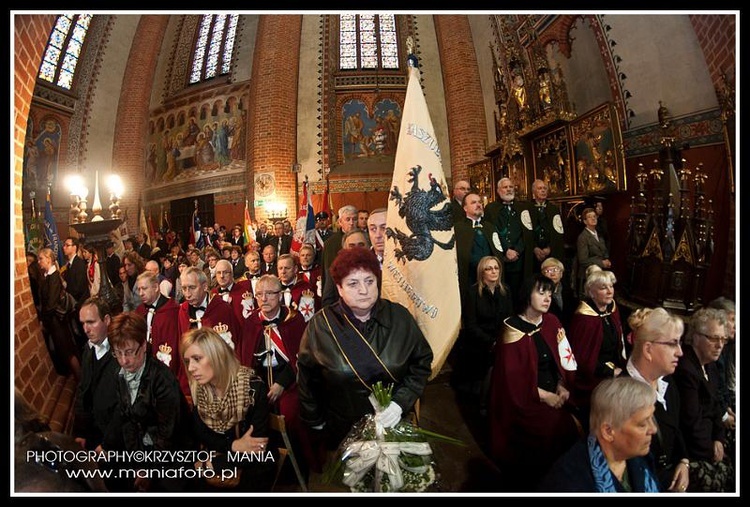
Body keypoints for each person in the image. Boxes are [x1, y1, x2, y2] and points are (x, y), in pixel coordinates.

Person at [297, 247, 433, 453]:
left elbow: (421, 364)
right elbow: (307, 378)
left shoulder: (400, 318)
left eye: (369, 281)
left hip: (393, 425)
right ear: (339, 288)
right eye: (353, 283)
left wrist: (400, 403)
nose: (364, 290)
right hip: (344, 430)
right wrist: (314, 420)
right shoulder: (321, 326)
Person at [489, 274, 581, 491]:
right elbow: (512, 385)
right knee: (555, 428)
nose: (547, 298)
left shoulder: (552, 322)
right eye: (541, 292)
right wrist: (546, 396)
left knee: (580, 422)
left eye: (550, 293)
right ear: (527, 295)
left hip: (554, 392)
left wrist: (561, 384)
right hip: (525, 400)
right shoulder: (512, 329)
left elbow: (562, 359)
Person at [103, 312, 194, 492]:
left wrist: (148, 471)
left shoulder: (162, 379)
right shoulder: (120, 375)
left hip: (174, 453)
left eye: (129, 352)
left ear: (144, 345)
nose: (123, 361)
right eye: (118, 353)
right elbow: (127, 421)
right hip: (144, 448)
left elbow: (167, 434)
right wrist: (138, 465)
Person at [181, 327, 274, 491]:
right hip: (214, 466)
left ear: (217, 356)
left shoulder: (253, 388)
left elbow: (258, 448)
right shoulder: (199, 389)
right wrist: (233, 446)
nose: (190, 368)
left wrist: (214, 462)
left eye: (197, 359)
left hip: (249, 471)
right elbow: (201, 434)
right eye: (188, 361)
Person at [240, 274, 313, 473]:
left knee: (290, 415)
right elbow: (246, 359)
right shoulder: (251, 322)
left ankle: (293, 469)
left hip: (289, 380)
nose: (264, 299)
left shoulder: (294, 320)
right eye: (259, 294)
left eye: (270, 294)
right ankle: (264, 468)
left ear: (280, 296)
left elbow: (301, 358)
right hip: (260, 379)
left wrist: (281, 384)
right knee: (251, 413)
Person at [538, 377, 660, 493]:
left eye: (652, 419)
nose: (653, 429)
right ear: (608, 432)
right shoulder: (568, 482)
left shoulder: (640, 456)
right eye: (642, 424)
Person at [624, 307, 690, 492]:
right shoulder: (623, 397)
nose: (680, 352)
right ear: (648, 349)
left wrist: (684, 462)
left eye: (680, 343)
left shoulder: (667, 382)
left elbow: (676, 428)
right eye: (672, 344)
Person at [673, 307, 734, 492]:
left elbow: (716, 406)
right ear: (696, 336)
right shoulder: (685, 369)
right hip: (691, 449)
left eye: (723, 339)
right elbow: (690, 422)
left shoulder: (711, 365)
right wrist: (711, 451)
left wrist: (719, 438)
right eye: (714, 338)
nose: (720, 345)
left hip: (709, 438)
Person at [568, 266, 626, 428]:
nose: (609, 291)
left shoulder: (612, 309)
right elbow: (582, 358)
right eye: (603, 288)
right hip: (590, 375)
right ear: (591, 292)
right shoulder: (584, 318)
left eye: (611, 286)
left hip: (614, 366)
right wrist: (610, 371)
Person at [460, 256, 513, 414]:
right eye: (488, 268)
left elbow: (510, 318)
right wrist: (491, 342)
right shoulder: (472, 293)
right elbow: (471, 325)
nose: (493, 271)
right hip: (479, 342)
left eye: (496, 268)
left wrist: (503, 340)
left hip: (501, 339)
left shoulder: (506, 291)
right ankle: (483, 404)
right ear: (481, 272)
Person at [133, 270, 189, 400]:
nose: (141, 293)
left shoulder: (173, 311)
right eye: (139, 289)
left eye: (144, 288)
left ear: (156, 287)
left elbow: (177, 344)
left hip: (167, 369)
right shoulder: (139, 311)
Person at [73, 297, 120, 452]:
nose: (85, 329)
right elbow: (83, 391)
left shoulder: (122, 353)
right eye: (83, 323)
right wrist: (81, 431)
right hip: (94, 436)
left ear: (106, 320)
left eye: (91, 322)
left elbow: (126, 404)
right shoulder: (87, 350)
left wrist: (108, 444)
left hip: (117, 441)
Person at [484, 177, 533, 301]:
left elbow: (527, 232)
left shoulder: (523, 207)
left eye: (511, 187)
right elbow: (491, 231)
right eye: (505, 187)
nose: (509, 189)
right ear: (499, 190)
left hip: (519, 258)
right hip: (500, 257)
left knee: (520, 291)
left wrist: (518, 250)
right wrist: (506, 250)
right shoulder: (491, 208)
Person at [177, 266, 243, 358]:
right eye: (184, 288)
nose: (187, 294)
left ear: (205, 286)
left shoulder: (222, 309)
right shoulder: (183, 310)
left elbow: (234, 345)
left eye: (192, 288)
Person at [36, 247, 82, 379]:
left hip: (58, 322)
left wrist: (43, 320)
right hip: (54, 323)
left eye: (41, 259)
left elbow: (50, 304)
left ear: (49, 259)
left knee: (67, 350)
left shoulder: (54, 276)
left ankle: (80, 381)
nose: (39, 261)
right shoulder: (47, 277)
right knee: (64, 351)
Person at [454, 192, 503, 307]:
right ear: (465, 208)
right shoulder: (458, 228)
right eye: (473, 202)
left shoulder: (489, 227)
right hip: (470, 279)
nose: (478, 204)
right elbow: (460, 254)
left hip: (491, 279)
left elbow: (498, 251)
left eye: (480, 202)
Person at [707, 297, 736, 427]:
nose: (736, 325)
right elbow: (715, 388)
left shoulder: (728, 346)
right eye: (733, 320)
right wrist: (724, 414)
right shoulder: (712, 351)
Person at [528, 179, 564, 273]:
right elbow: (525, 232)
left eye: (545, 188)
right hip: (533, 254)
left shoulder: (554, 209)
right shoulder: (527, 209)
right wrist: (534, 248)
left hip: (551, 252)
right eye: (540, 188)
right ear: (534, 191)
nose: (543, 190)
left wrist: (549, 248)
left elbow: (558, 232)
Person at [575, 207, 611, 297]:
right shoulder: (583, 237)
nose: (593, 218)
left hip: (600, 274)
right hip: (587, 276)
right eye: (590, 217)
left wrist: (606, 260)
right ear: (585, 221)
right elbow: (583, 260)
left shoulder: (599, 234)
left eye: (594, 216)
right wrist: (601, 263)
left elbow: (604, 251)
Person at [211, 258, 254, 324]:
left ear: (232, 274)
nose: (222, 276)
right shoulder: (213, 294)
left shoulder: (244, 293)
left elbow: (250, 322)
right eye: (219, 273)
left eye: (225, 272)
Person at [540, 257, 575, 329]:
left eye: (555, 270)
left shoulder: (569, 291)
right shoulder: (539, 293)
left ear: (561, 274)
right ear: (543, 275)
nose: (552, 274)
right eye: (548, 271)